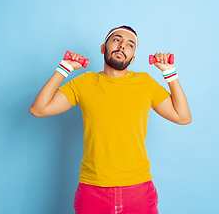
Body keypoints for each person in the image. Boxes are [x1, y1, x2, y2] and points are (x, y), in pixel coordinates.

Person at [29, 25, 192, 214]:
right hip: (92, 190)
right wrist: (64, 68)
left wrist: (170, 73)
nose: (122, 45)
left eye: (130, 45)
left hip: (138, 189)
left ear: (133, 57)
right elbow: (38, 109)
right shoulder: (84, 83)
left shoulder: (146, 83)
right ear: (102, 48)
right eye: (116, 39)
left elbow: (183, 117)